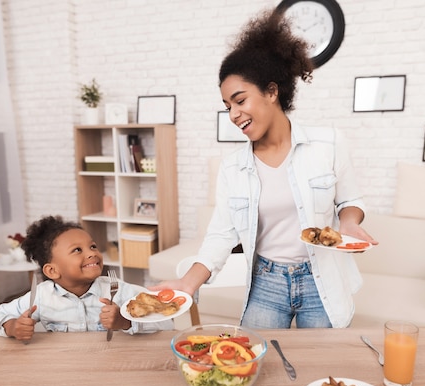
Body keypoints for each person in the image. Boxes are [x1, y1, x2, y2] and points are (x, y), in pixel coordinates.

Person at [151, 9, 377, 329]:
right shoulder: (233, 169)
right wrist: (187, 284)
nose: (233, 114)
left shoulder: (328, 144)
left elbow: (350, 200)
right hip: (267, 282)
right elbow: (220, 235)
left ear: (272, 92)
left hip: (322, 276)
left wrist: (350, 224)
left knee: (319, 366)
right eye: (228, 106)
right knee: (259, 361)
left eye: (240, 100)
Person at [0, 215, 172, 340]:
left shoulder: (117, 290)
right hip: (65, 369)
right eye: (77, 250)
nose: (92, 253)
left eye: (93, 246)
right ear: (52, 271)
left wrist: (125, 321)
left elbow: (166, 322)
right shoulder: (41, 297)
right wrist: (12, 326)